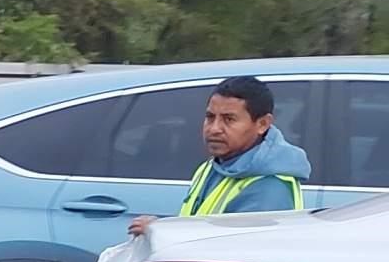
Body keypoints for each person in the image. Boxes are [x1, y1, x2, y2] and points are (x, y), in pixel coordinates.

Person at [131, 76, 308, 235]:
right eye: (210, 117)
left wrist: (161, 235)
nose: (214, 129)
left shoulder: (269, 187)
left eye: (229, 119)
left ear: (262, 124)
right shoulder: (216, 164)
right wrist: (161, 230)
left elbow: (232, 256)